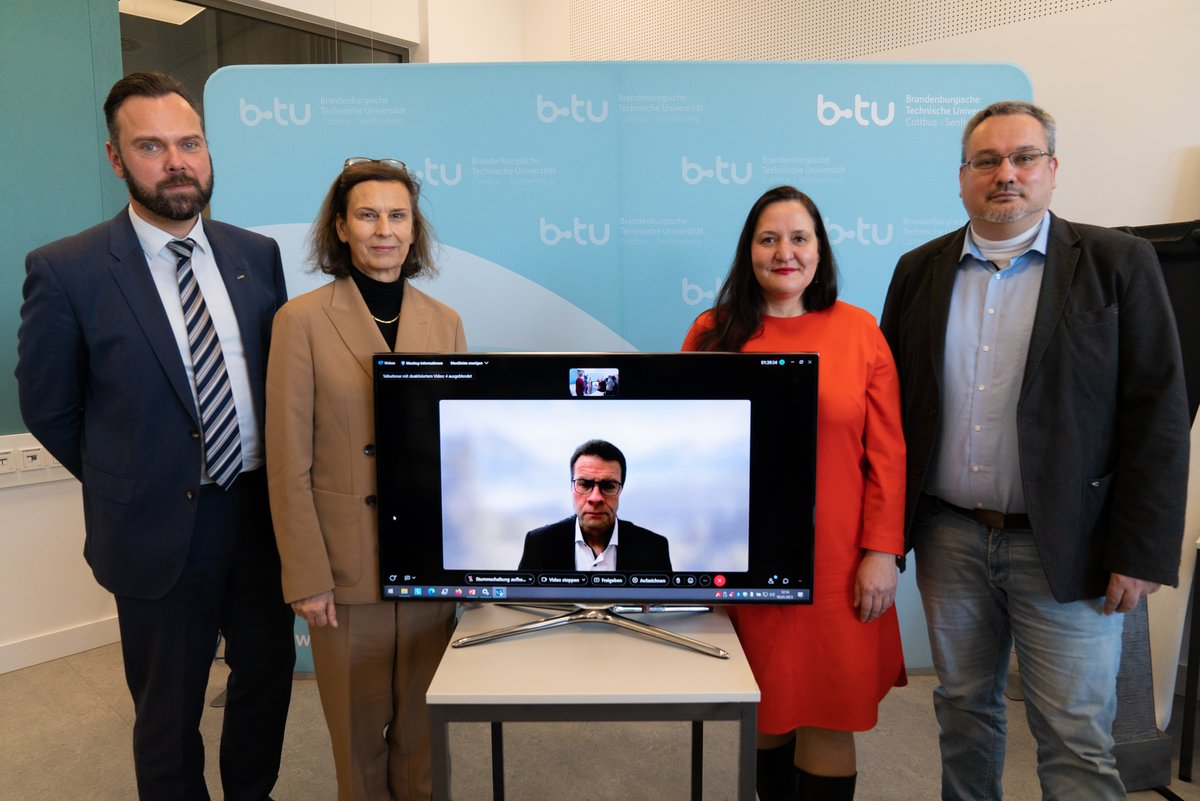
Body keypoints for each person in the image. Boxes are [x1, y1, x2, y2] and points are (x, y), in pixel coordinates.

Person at [879, 100, 1189, 801]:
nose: (1005, 174)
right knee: (962, 709)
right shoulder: (917, 270)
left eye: (1023, 158)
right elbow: (892, 410)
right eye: (987, 160)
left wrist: (1140, 553)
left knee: (1075, 735)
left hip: (1070, 544)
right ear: (962, 177)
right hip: (949, 536)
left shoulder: (1119, 263)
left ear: (1052, 171)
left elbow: (1158, 415)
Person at [15, 72, 295, 800]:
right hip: (158, 527)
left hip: (263, 517)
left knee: (265, 682)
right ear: (115, 158)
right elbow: (50, 407)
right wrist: (134, 476)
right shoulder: (67, 268)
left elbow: (281, 385)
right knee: (169, 711)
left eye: (189, 143)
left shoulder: (256, 254)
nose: (176, 161)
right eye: (150, 146)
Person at [682, 185, 906, 801]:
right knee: (765, 713)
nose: (785, 252)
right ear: (748, 251)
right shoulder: (712, 331)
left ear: (820, 250)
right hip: (744, 555)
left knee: (829, 716)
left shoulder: (860, 332)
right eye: (769, 238)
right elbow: (689, 448)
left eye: (799, 237)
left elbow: (888, 455)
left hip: (837, 560)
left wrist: (881, 552)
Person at [266, 157, 466, 801]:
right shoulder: (300, 321)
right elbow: (287, 461)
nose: (385, 229)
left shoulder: (445, 322)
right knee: (357, 740)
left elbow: (457, 456)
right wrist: (307, 575)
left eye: (398, 215)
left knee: (424, 734)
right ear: (342, 228)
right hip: (344, 571)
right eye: (368, 214)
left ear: (414, 230)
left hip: (427, 562)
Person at [518, 439, 673, 571]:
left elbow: (662, 606)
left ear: (621, 490)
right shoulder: (539, 544)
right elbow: (520, 605)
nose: (596, 498)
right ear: (571, 487)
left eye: (608, 486)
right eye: (584, 484)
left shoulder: (653, 548)